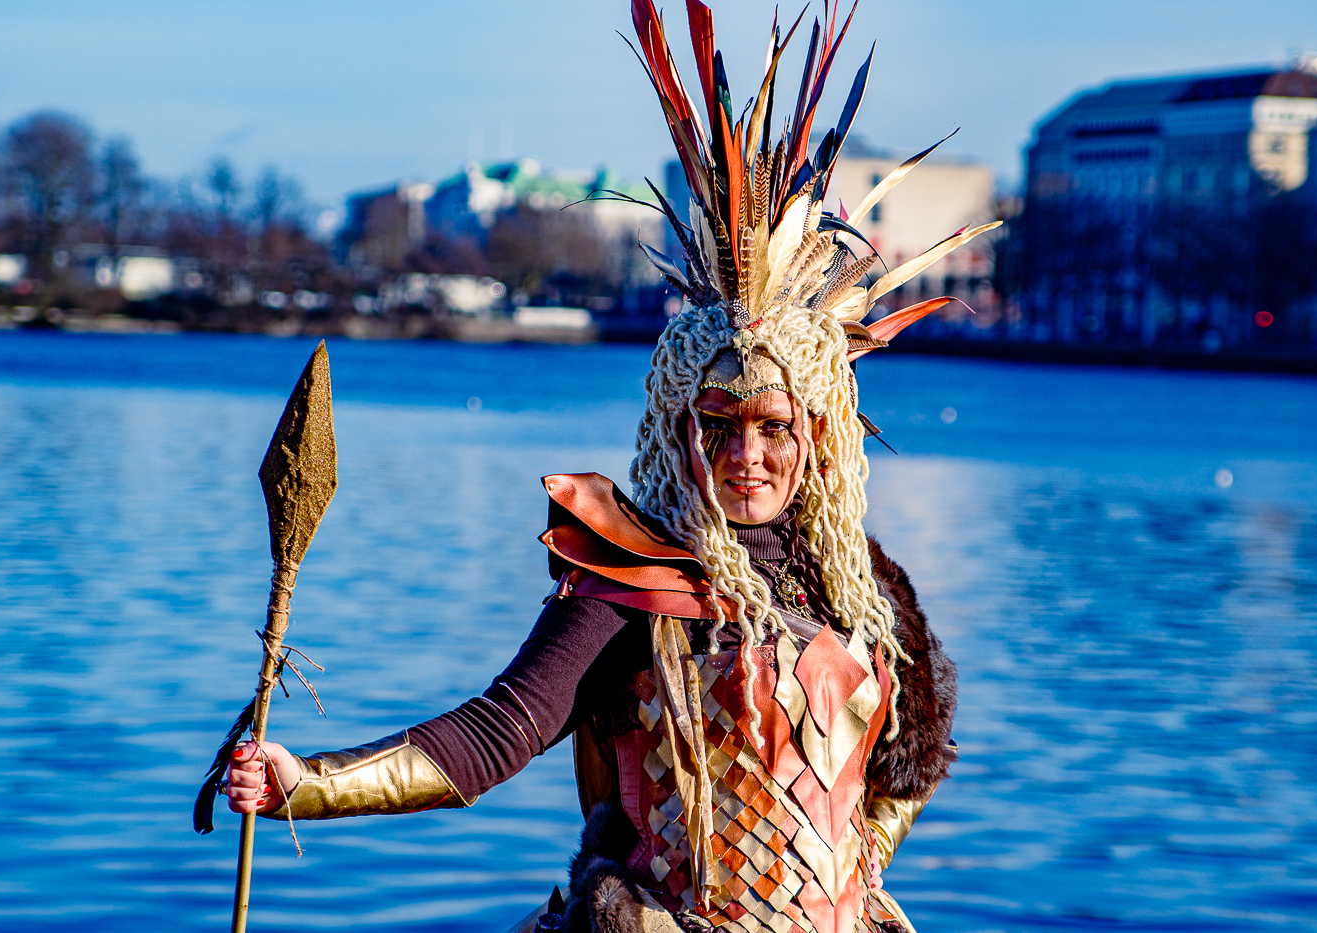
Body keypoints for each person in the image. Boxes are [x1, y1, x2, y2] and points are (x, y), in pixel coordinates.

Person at [225, 2, 991, 930]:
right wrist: (306, 781)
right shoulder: (627, 578)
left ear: (818, 437)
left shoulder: (866, 584)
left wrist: (856, 863)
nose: (747, 455)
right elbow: (495, 733)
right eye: (720, 426)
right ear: (682, 431)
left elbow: (916, 755)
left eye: (774, 428)